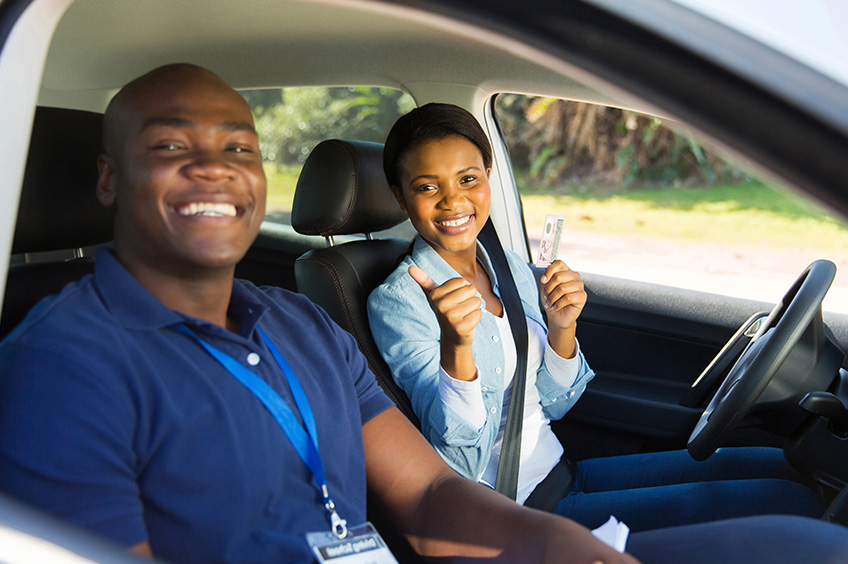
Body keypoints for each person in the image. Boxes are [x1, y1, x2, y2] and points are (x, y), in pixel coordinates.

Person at [0, 64, 845, 564]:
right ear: (108, 180)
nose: (215, 170)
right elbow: (460, 448)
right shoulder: (60, 366)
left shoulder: (299, 324)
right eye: (171, 148)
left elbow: (436, 493)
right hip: (518, 488)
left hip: (512, 504)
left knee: (798, 539)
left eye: (239, 148)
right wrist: (457, 347)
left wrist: (559, 549)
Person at [367, 102, 827, 533]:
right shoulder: (400, 301)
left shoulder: (503, 264)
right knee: (788, 504)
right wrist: (458, 348)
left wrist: (562, 325)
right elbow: (458, 460)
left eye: (468, 179)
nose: (453, 201)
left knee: (782, 468)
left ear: (488, 176)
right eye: (428, 187)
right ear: (401, 196)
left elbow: (557, 403)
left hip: (560, 472)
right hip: (513, 510)